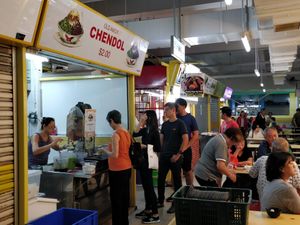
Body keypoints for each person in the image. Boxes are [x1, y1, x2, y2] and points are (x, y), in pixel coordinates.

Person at [100, 110, 132, 225]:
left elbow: (115, 154)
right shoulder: (126, 132)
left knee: (116, 200)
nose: (110, 125)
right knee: (124, 198)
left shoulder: (116, 134)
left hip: (117, 170)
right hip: (127, 168)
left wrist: (104, 150)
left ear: (112, 120)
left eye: (109, 122)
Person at [157, 103, 188, 214]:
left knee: (177, 181)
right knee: (161, 180)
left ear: (173, 110)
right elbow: (162, 139)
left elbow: (185, 140)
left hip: (175, 157)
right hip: (164, 157)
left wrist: (178, 154)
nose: (165, 112)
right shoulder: (165, 125)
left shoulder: (180, 124)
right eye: (164, 110)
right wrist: (161, 153)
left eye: (166, 110)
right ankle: (160, 201)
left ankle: (176, 204)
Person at [133, 110, 161, 223]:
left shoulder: (154, 130)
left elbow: (158, 148)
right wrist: (140, 122)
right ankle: (148, 209)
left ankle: (155, 215)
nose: (142, 116)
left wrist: (145, 146)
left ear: (149, 117)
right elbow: (134, 134)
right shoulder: (145, 129)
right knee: (146, 187)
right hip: (143, 161)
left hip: (149, 162)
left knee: (149, 188)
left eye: (144, 115)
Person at [175, 98, 199, 185]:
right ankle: (177, 192)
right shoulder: (174, 117)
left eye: (177, 105)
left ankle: (190, 190)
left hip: (186, 149)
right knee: (176, 172)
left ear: (183, 106)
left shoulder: (190, 118)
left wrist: (187, 146)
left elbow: (196, 135)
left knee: (187, 171)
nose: (176, 107)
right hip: (175, 148)